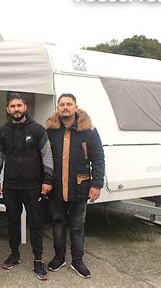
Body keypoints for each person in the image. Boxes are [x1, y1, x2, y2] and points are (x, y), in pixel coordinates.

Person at [0, 93, 54, 281]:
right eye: (12, 106)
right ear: (7, 109)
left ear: (25, 107)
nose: (16, 109)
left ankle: (38, 259)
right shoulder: (2, 131)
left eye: (19, 105)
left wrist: (48, 180)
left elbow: (47, 155)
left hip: (33, 186)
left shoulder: (37, 130)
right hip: (10, 186)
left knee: (35, 222)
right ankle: (14, 254)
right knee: (12, 221)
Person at [45, 93, 105, 278]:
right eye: (61, 104)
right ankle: (59, 257)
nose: (65, 107)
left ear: (76, 107)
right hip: (55, 188)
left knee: (77, 226)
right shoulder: (50, 131)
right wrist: (44, 181)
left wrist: (96, 184)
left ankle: (77, 261)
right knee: (58, 223)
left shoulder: (89, 131)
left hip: (80, 187)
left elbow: (98, 158)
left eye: (68, 104)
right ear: (58, 107)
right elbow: (43, 158)